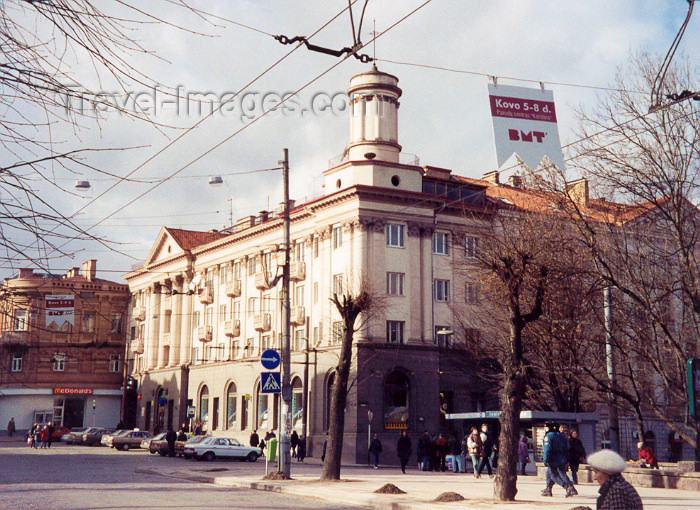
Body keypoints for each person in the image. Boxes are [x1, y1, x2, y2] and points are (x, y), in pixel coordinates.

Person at [542, 422, 577, 498]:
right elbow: (567, 448)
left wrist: (545, 460)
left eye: (546, 427)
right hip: (562, 458)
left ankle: (568, 487)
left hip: (553, 459)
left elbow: (547, 449)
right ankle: (548, 489)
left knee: (553, 475)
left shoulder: (549, 436)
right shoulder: (562, 436)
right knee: (551, 473)